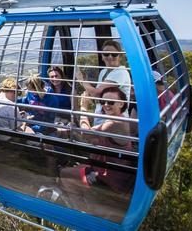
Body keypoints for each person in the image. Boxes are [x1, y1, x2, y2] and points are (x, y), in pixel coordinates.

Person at [56, 87, 135, 220]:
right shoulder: (120, 119)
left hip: (107, 178)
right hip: (113, 172)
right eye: (103, 102)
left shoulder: (114, 123)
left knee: (64, 173)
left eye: (111, 102)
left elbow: (85, 132)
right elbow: (94, 139)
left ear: (121, 104)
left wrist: (84, 108)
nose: (106, 105)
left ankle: (80, 213)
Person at [76, 40, 131, 126]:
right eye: (106, 54)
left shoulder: (121, 73)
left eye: (114, 54)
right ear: (102, 56)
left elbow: (97, 94)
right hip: (101, 118)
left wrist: (81, 80)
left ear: (120, 56)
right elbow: (99, 98)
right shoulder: (103, 72)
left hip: (114, 121)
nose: (109, 57)